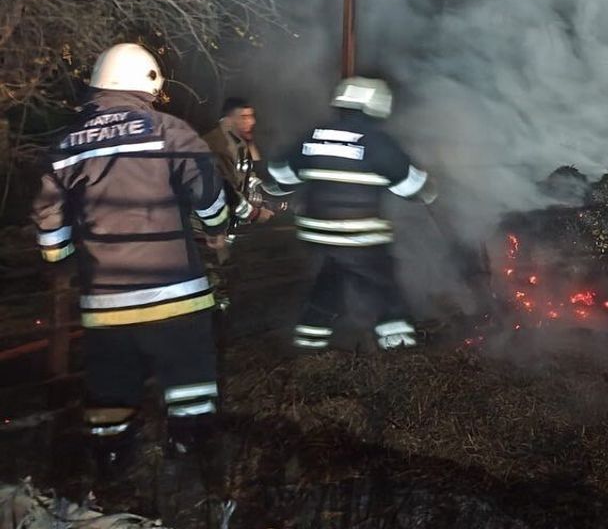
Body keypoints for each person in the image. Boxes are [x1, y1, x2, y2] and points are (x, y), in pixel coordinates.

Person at [30, 43, 230, 481]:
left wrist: (61, 256)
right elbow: (208, 194)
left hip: (106, 306)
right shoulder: (170, 131)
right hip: (177, 297)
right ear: (149, 83)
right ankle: (192, 468)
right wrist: (218, 225)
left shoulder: (66, 146)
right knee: (190, 383)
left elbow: (49, 220)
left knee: (110, 389)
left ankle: (110, 472)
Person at [265, 76, 437, 352]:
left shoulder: (316, 134)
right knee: (383, 284)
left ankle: (310, 339)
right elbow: (410, 186)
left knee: (332, 276)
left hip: (315, 231)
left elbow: (281, 175)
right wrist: (428, 192)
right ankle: (399, 345)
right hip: (358, 233)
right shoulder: (377, 142)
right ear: (377, 106)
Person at [202, 97, 275, 231]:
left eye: (251, 116)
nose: (252, 122)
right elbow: (226, 191)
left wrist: (264, 195)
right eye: (244, 117)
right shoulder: (219, 146)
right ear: (228, 120)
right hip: (205, 226)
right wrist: (254, 214)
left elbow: (245, 178)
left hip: (220, 223)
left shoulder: (237, 143)